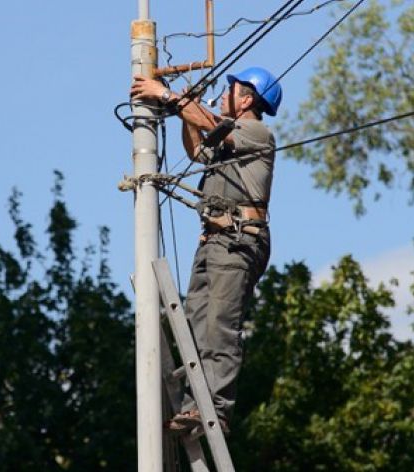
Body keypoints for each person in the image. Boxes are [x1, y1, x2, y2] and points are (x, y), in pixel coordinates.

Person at [130, 67, 281, 434]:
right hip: (215, 242)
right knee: (197, 324)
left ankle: (215, 408)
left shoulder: (256, 132)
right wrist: (185, 109)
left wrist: (169, 97)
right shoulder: (227, 138)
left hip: (238, 240)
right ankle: (194, 406)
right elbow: (198, 149)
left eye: (231, 90)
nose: (224, 94)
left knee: (220, 325)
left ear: (246, 99)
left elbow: (210, 123)